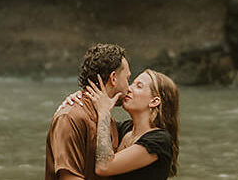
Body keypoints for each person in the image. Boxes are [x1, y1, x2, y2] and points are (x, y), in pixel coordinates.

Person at [45, 43, 132, 180]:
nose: (129, 87)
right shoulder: (69, 117)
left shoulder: (105, 116)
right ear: (113, 78)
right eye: (127, 79)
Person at [84, 68, 179, 179]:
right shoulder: (124, 129)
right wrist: (79, 98)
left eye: (138, 86)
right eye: (132, 83)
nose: (129, 88)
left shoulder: (159, 141)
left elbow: (104, 167)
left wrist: (104, 113)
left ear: (154, 101)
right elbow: (89, 126)